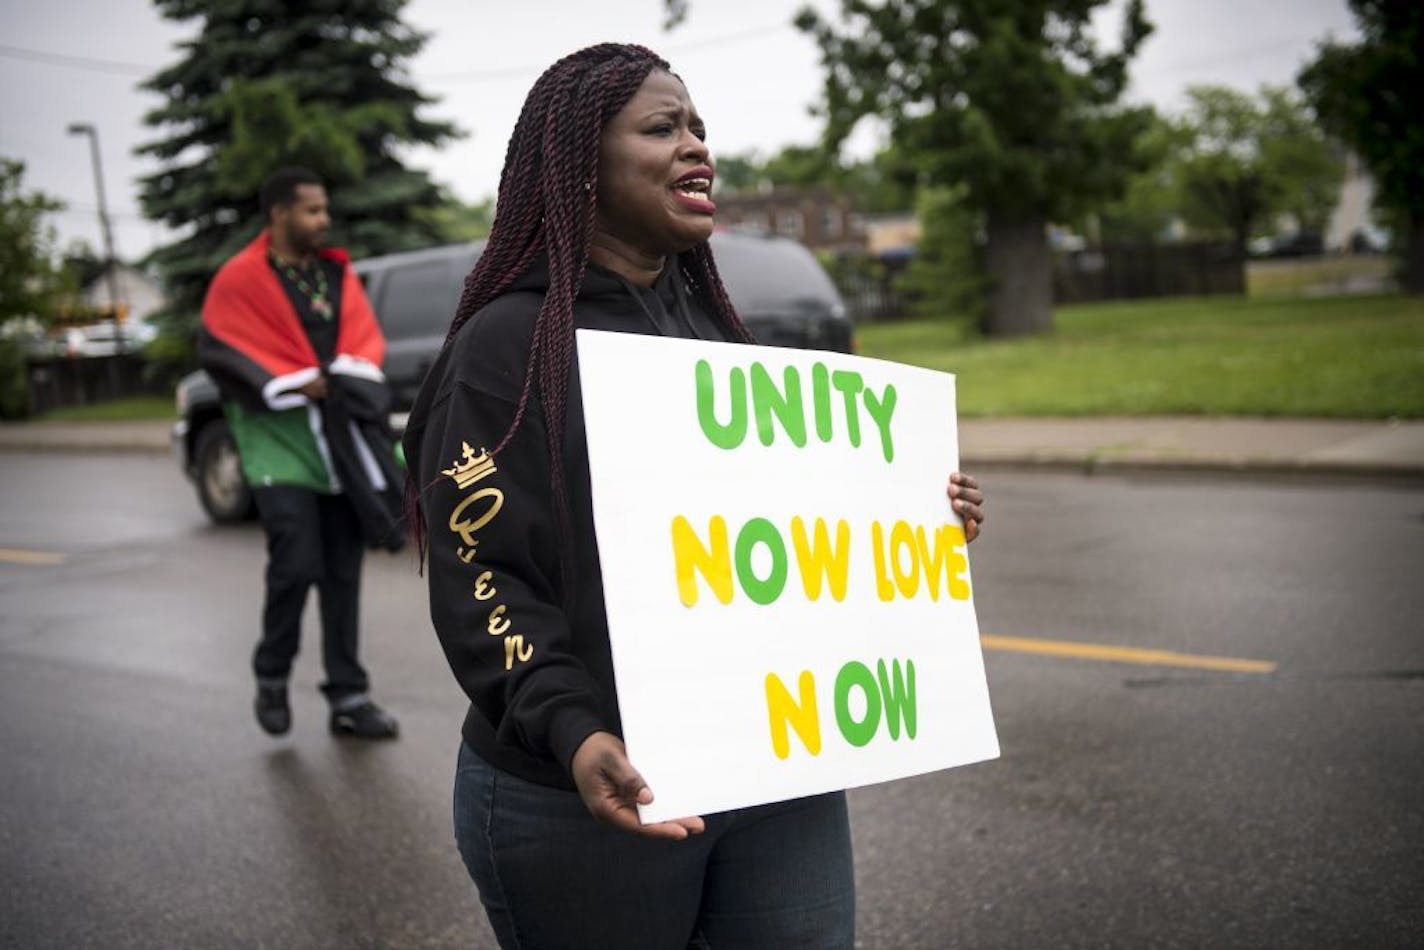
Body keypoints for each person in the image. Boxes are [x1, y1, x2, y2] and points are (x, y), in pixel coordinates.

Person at [403, 44, 986, 948]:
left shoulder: (713, 327)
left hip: (771, 769)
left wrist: (913, 515)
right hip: (586, 793)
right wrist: (573, 727)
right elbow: (483, 573)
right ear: (579, 163)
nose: (696, 147)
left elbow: (781, 526)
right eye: (663, 127)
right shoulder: (505, 349)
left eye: (700, 128)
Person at [200, 166, 403, 741]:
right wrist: (288, 380)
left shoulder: (332, 274)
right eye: (312, 210)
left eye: (324, 209)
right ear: (280, 213)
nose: (323, 220)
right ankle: (271, 674)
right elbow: (222, 347)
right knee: (296, 562)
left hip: (336, 434)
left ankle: (349, 695)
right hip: (277, 438)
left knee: (342, 569)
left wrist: (341, 374)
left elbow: (364, 339)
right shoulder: (241, 278)